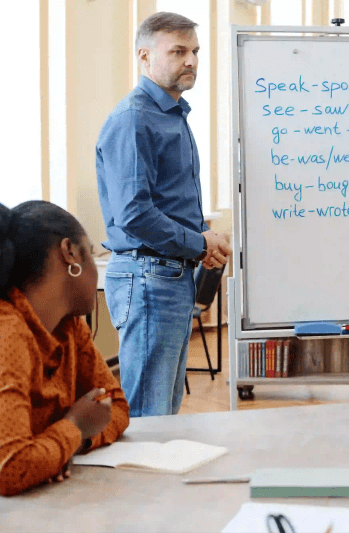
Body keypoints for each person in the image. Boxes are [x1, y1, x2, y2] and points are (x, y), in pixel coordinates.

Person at [96, 12, 231, 417]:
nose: (190, 61)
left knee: (164, 413)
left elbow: (166, 203)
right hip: (149, 277)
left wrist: (197, 246)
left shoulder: (172, 114)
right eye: (177, 51)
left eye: (194, 51)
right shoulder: (135, 118)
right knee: (148, 418)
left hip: (170, 275)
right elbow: (135, 214)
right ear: (144, 56)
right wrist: (197, 242)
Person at [0, 201, 129, 496]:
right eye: (93, 252)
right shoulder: (8, 330)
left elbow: (117, 408)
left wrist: (68, 445)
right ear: (70, 252)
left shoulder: (70, 327)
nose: (97, 267)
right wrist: (74, 426)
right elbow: (11, 470)